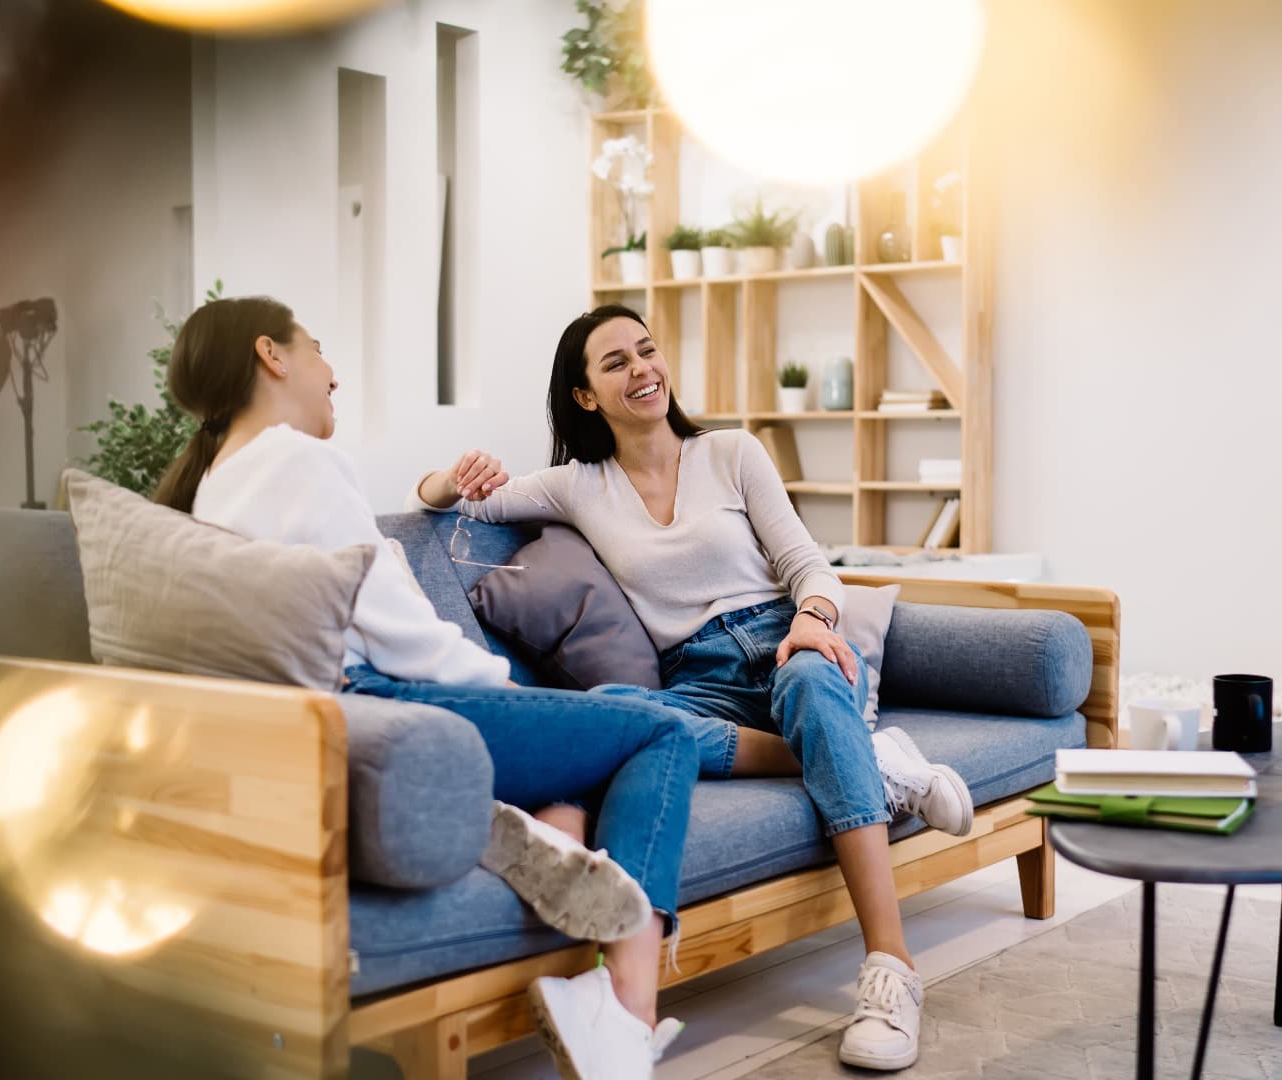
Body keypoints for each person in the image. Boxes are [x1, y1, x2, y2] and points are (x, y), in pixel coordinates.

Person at [412, 303, 975, 1072]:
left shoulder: (732, 453)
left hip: (786, 641)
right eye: (616, 363)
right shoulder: (578, 486)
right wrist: (450, 475)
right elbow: (444, 503)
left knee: (813, 690)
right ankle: (870, 760)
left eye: (647, 352)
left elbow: (810, 564)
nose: (643, 369)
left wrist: (812, 619)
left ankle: (891, 970)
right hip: (697, 676)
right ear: (585, 396)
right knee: (612, 713)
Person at [153, 296, 694, 1077]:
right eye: (318, 349)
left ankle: (541, 838)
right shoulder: (298, 458)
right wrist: (508, 691)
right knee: (661, 730)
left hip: (338, 707)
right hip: (385, 702)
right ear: (272, 356)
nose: (331, 373)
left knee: (590, 743)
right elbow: (393, 629)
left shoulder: (215, 484)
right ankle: (623, 1014)